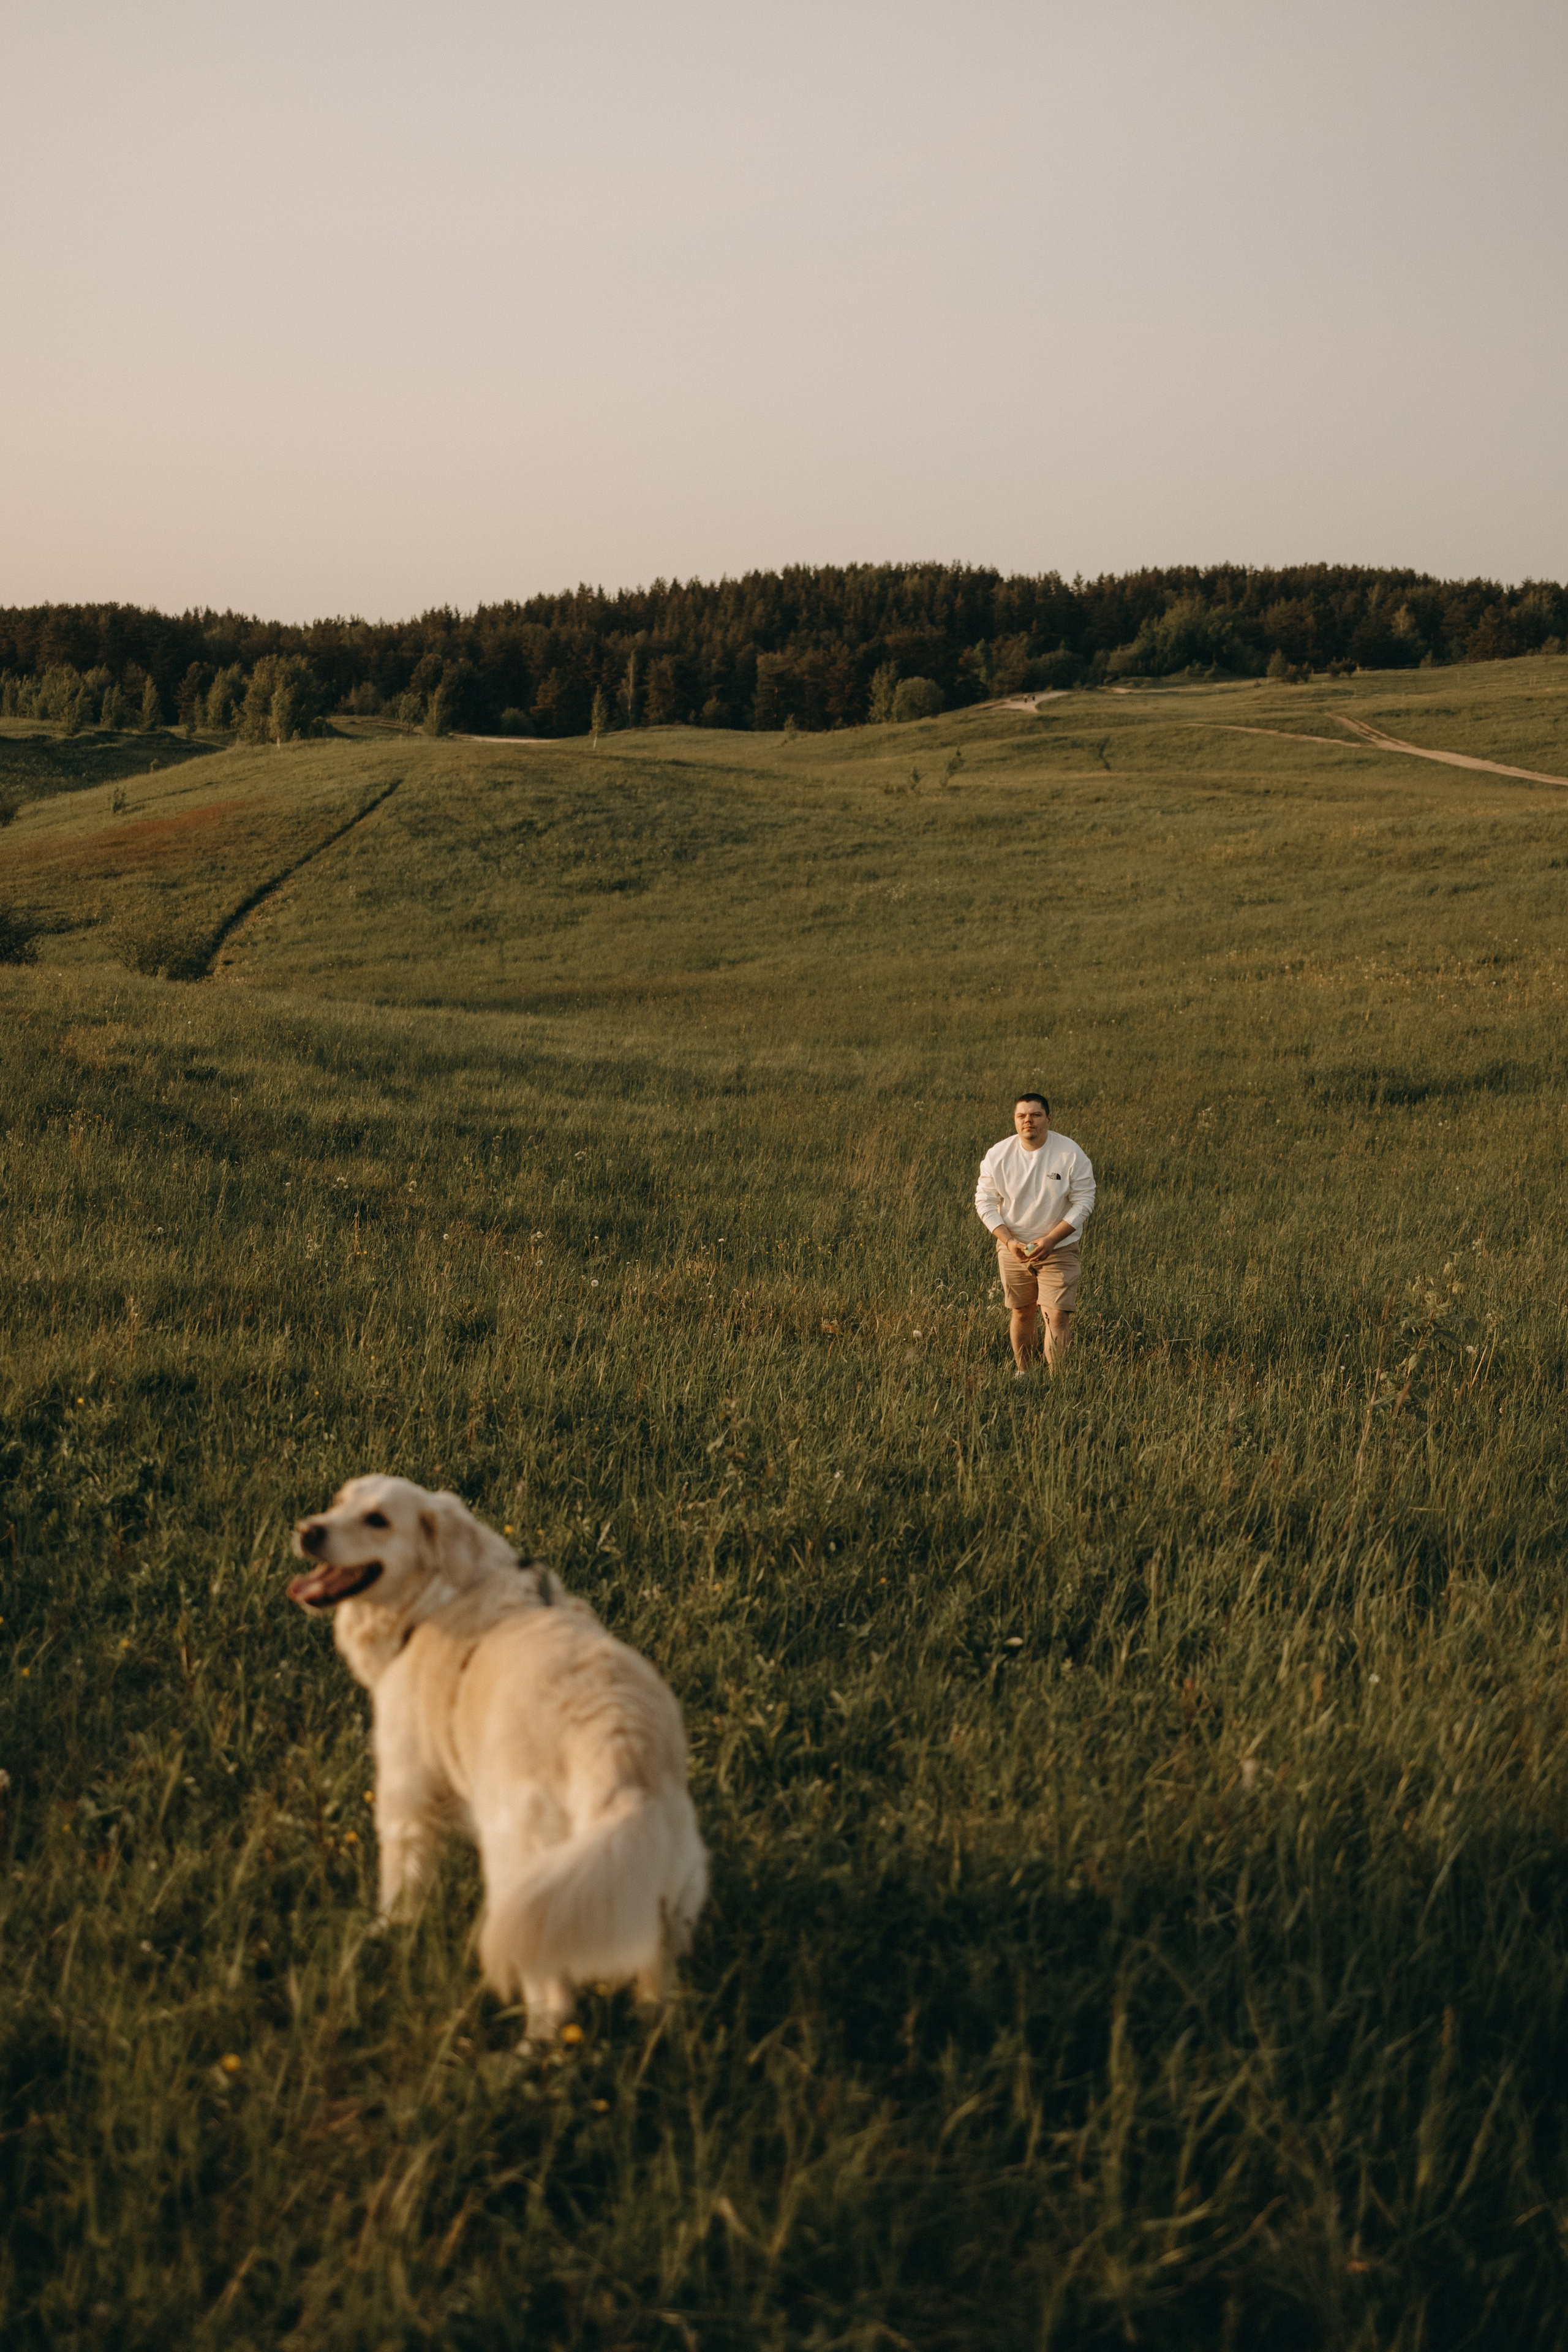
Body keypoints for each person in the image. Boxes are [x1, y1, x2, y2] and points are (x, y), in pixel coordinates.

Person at [974, 1093, 1095, 1376]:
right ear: (1015, 1121)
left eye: (1036, 1115)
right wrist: (1008, 1241)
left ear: (1048, 1119)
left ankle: (1057, 1382)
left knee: (1056, 1315)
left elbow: (1084, 1200)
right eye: (1021, 1116)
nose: (1028, 1120)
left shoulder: (1070, 1153)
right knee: (1022, 1312)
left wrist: (1052, 1240)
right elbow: (985, 1200)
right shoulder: (998, 1154)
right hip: (1013, 1247)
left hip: (1059, 1247)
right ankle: (1024, 1373)